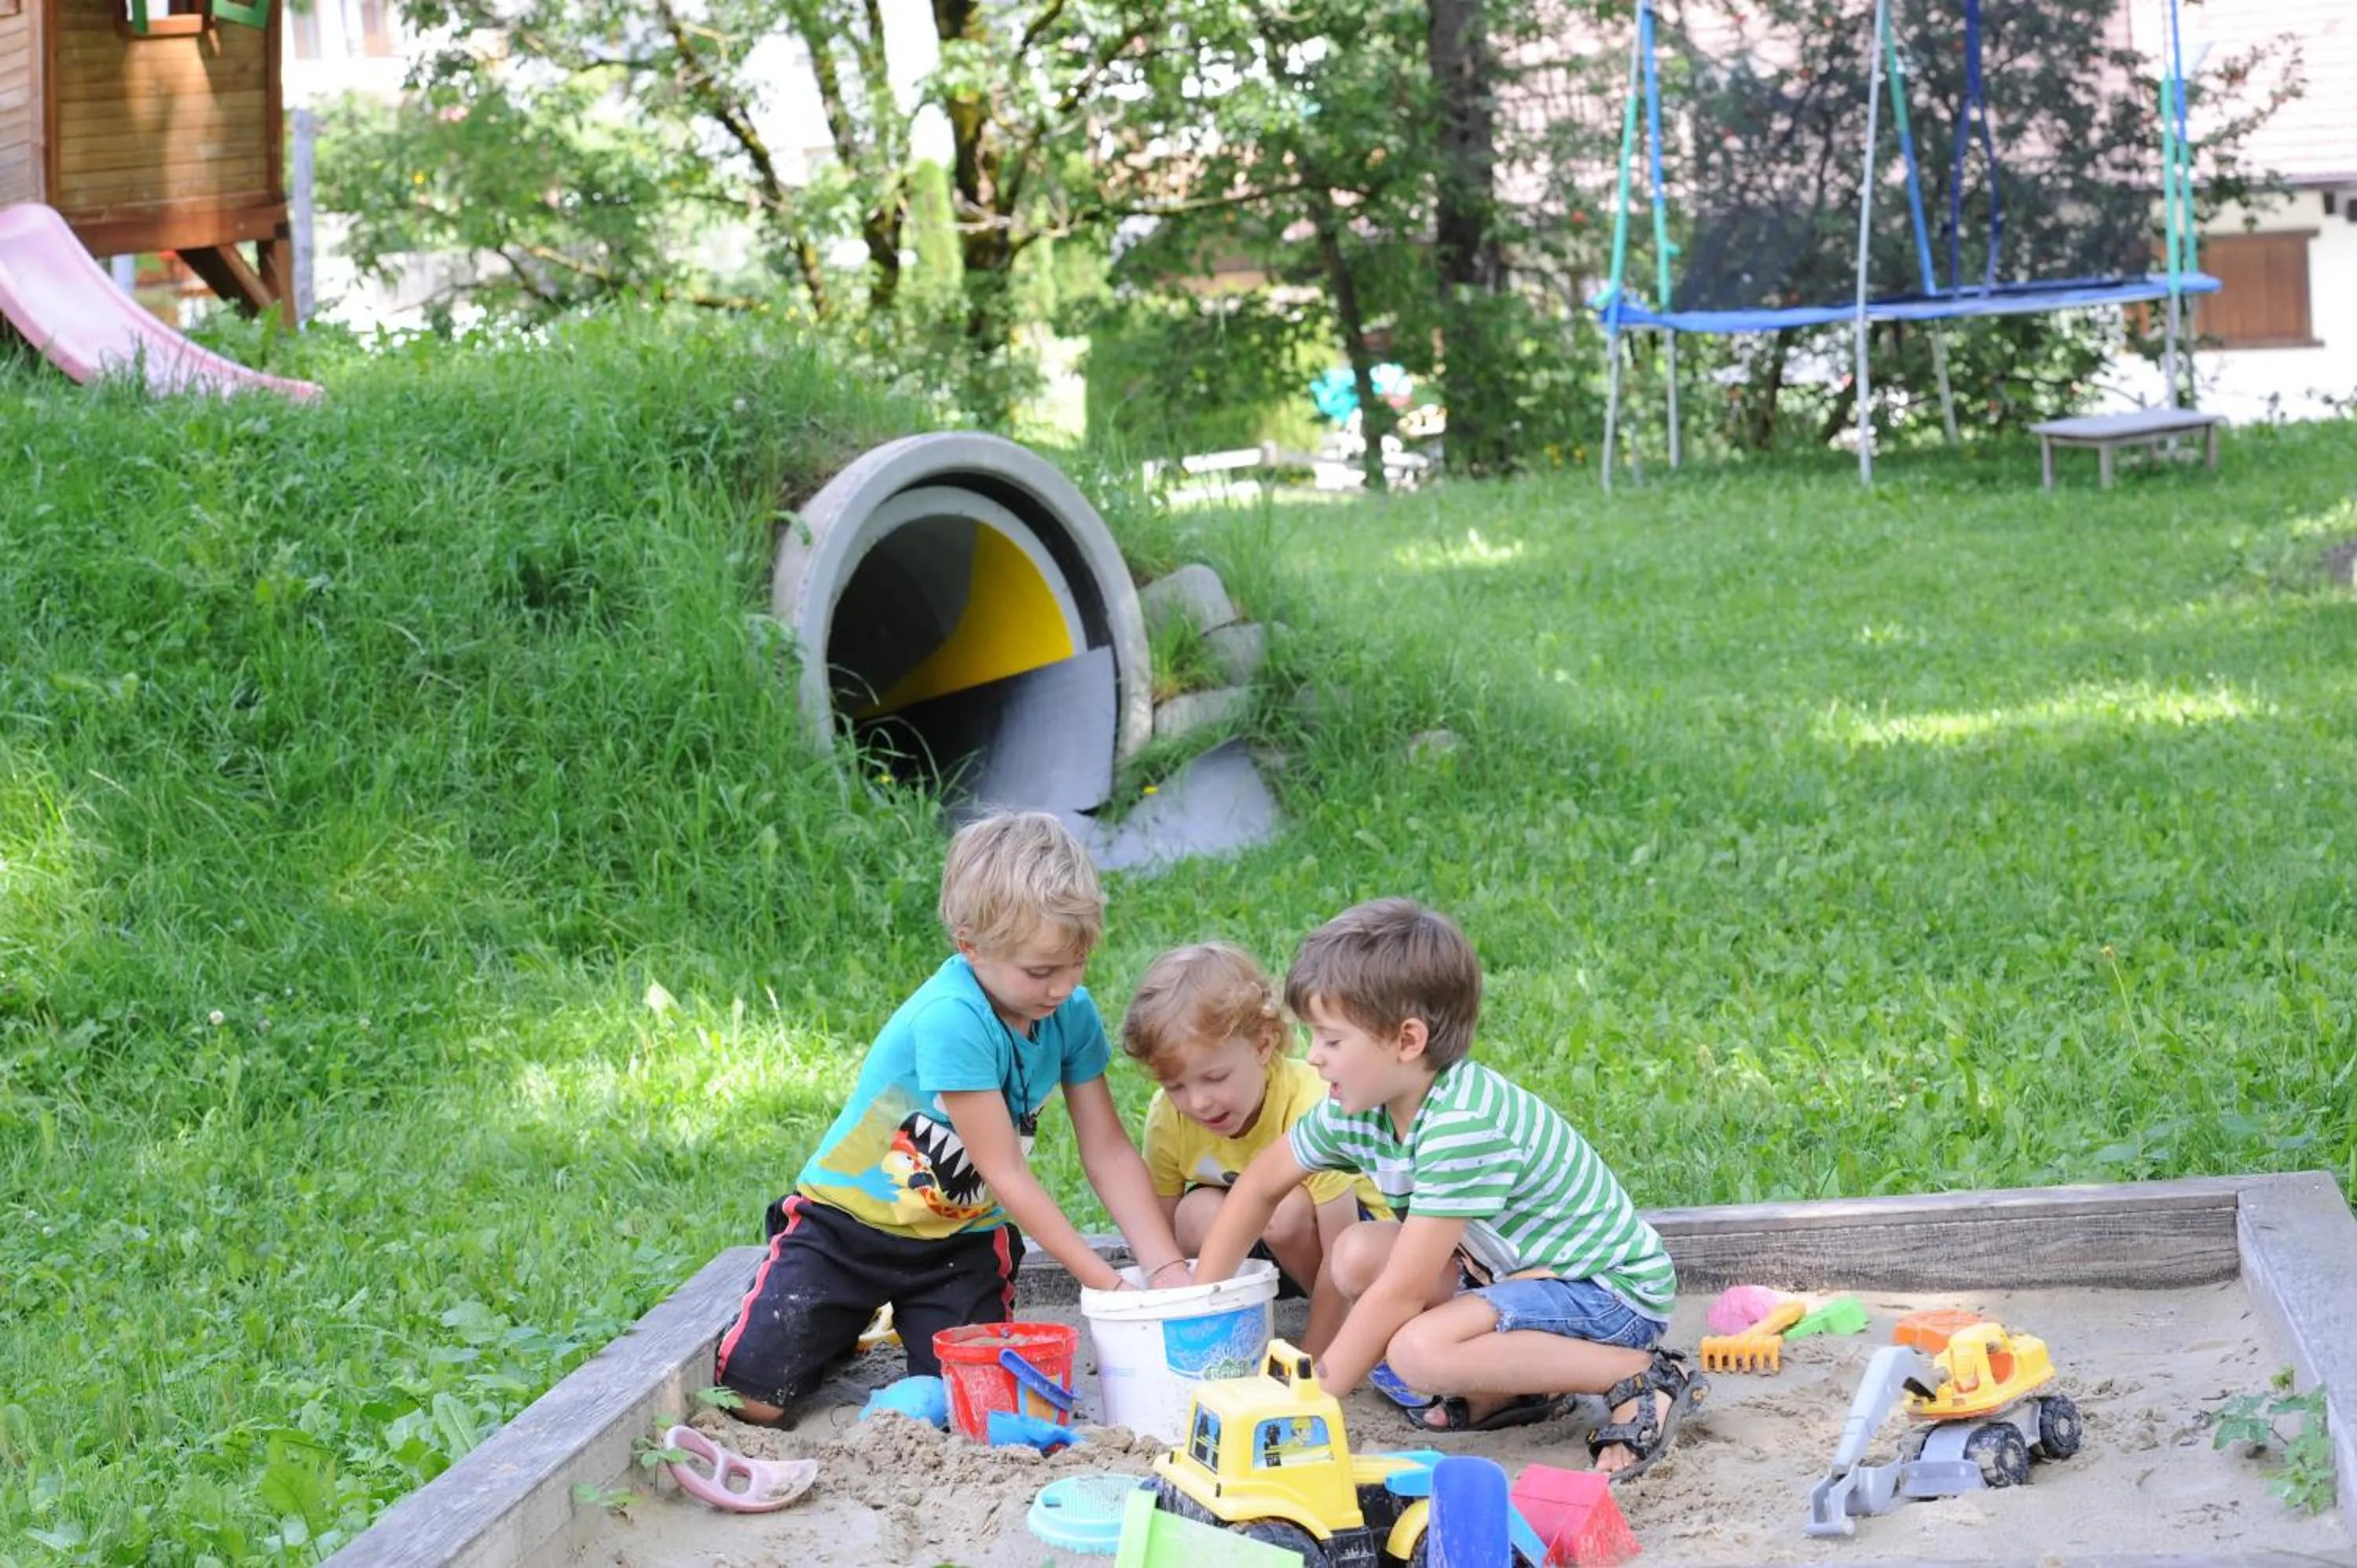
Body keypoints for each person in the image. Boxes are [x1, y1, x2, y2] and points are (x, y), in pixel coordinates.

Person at [1190, 898, 1703, 1482]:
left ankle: (1641, 1374)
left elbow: (1403, 1292)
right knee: (1356, 1251)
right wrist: (1195, 1302)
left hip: (1607, 1294)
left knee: (1418, 1353)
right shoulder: (1361, 1107)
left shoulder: (1462, 1123)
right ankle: (1511, 1393)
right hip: (1518, 1279)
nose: (1311, 1056)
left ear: (1407, 1040)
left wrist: (1312, 1396)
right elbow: (1259, 1185)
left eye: (1331, 1040)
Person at [714, 811, 1190, 1424]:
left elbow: (1108, 1150)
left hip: (958, 1244)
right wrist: (1111, 1286)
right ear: (971, 946)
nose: (1063, 986)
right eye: (1041, 971)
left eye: (1078, 964)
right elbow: (1009, 1174)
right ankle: (840, 1321)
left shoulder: (1071, 1011)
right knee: (753, 1400)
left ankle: (886, 1324)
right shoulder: (952, 1018)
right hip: (846, 1228)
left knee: (978, 1404)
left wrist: (1166, 1269)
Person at [1120, 942, 1392, 1354]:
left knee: (1285, 1210)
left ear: (1263, 1047)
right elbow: (1164, 1229)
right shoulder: (1169, 1118)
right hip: (1258, 1247)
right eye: (1175, 1086)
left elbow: (1341, 1241)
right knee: (1196, 1214)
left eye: (1215, 1077)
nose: (1198, 1102)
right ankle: (1227, 1316)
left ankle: (1339, 1323)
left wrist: (1316, 1356)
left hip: (1357, 1243)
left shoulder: (1313, 1105)